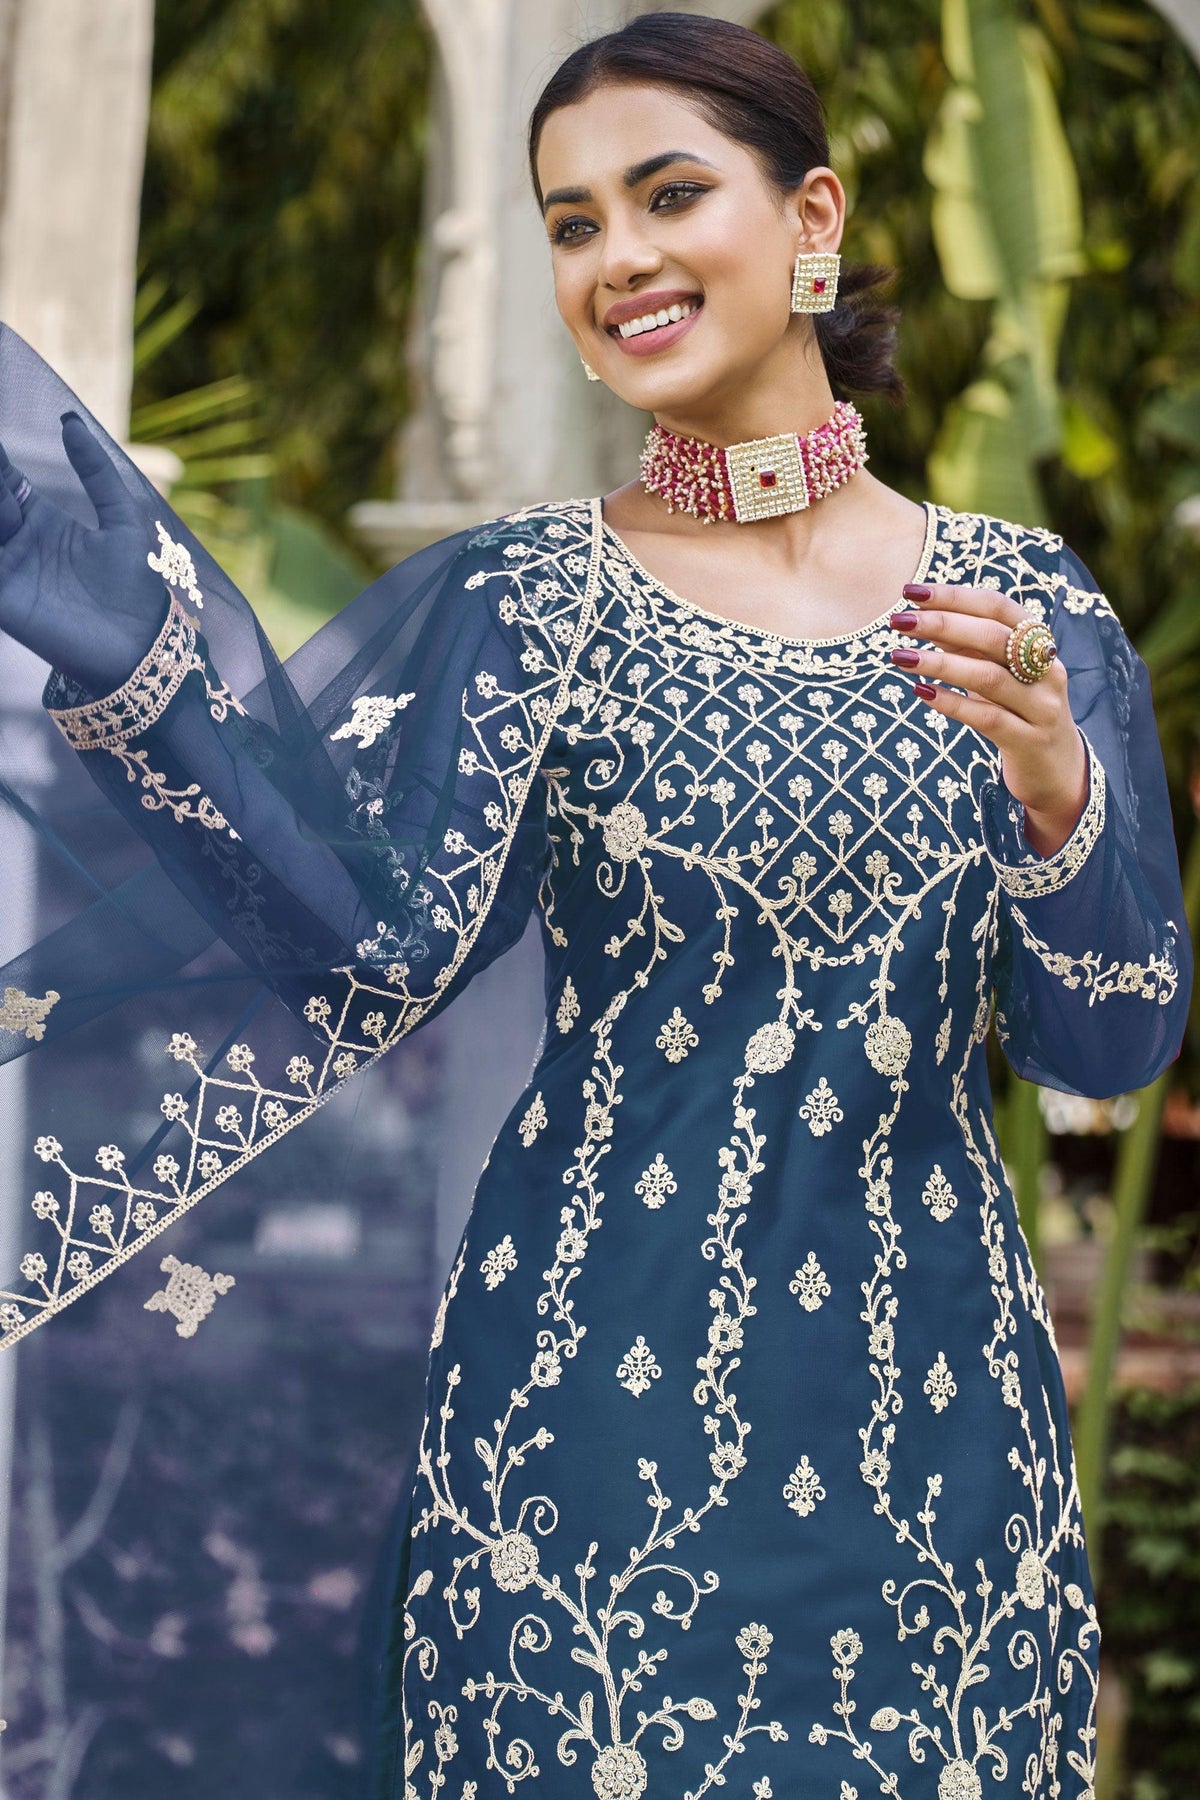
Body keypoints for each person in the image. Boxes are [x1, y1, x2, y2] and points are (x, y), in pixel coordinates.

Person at [0, 13, 1189, 1796]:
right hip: (586, 1440)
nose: (616, 255)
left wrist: (1058, 798)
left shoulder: (1023, 615)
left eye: (667, 194)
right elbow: (361, 948)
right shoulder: (527, 604)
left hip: (940, 1459)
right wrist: (150, 676)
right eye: (571, 222)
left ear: (812, 221)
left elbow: (1109, 1042)